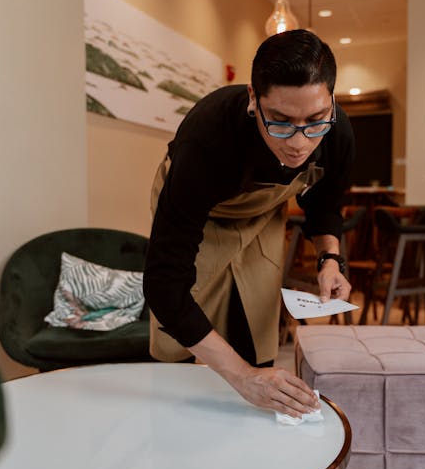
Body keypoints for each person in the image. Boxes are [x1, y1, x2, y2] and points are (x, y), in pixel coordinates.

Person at [143, 29, 355, 418]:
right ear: (253, 100)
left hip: (261, 214)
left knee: (254, 322)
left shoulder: (338, 132)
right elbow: (163, 284)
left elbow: (324, 204)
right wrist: (242, 377)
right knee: (181, 342)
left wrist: (330, 260)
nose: (299, 142)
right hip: (200, 210)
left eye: (315, 120)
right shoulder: (207, 141)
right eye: (280, 121)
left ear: (332, 102)